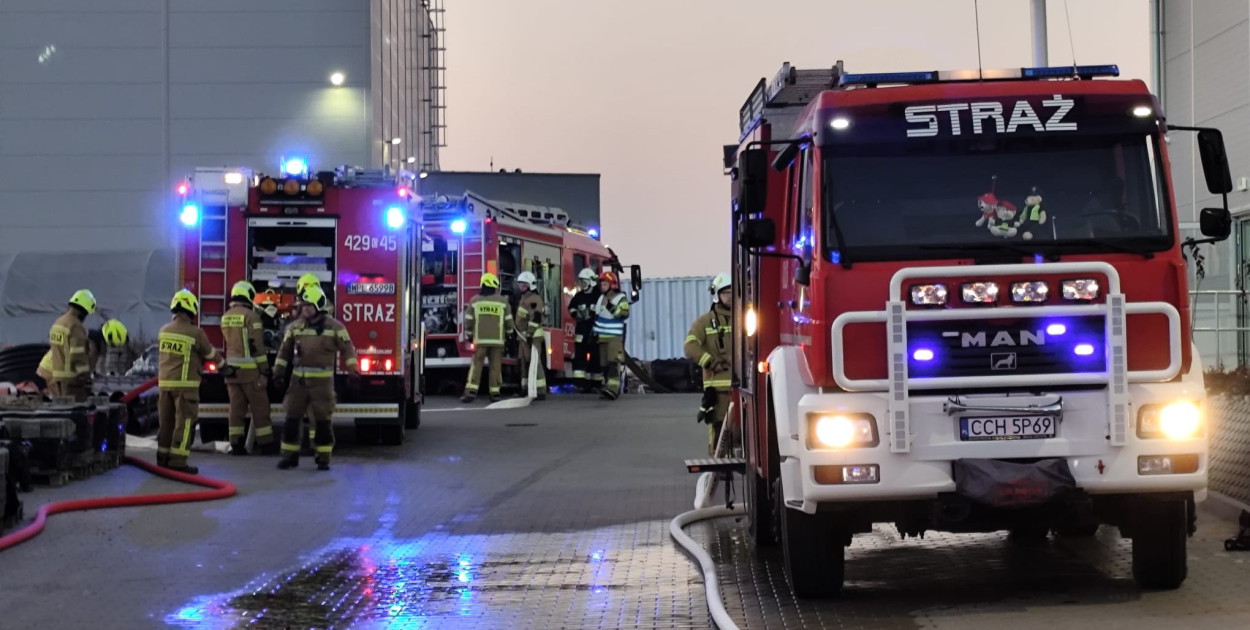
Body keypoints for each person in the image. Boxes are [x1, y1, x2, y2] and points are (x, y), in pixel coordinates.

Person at [273, 285, 360, 471]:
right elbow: (284, 352)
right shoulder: (295, 327)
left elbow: (348, 349)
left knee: (322, 422)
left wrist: (353, 371)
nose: (304, 309)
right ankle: (289, 456)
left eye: (308, 306)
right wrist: (278, 373)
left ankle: (323, 458)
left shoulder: (335, 327)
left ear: (318, 306)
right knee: (291, 419)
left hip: (322, 384)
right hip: (298, 382)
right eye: (302, 306)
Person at [156, 290, 224, 474]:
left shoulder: (164, 331)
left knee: (166, 423)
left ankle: (162, 459)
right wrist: (224, 366)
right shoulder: (195, 333)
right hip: (186, 387)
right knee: (184, 425)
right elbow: (209, 353)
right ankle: (178, 462)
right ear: (191, 309)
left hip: (164, 386)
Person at [221, 280, 277, 456]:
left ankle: (236, 444)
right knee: (260, 407)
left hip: (231, 371)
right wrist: (264, 370)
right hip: (250, 372)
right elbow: (257, 348)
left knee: (236, 408)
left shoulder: (226, 316)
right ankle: (266, 445)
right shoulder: (251, 317)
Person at [684, 273, 735, 456]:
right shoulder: (704, 322)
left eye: (732, 292)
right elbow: (690, 346)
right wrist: (710, 362)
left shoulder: (747, 318)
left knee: (743, 429)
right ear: (717, 294)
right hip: (718, 387)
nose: (729, 296)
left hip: (743, 386)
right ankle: (718, 466)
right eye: (725, 292)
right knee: (719, 429)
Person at [461, 273, 511, 403]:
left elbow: (469, 321)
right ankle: (495, 393)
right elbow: (509, 322)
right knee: (495, 367)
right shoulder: (502, 302)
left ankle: (471, 392)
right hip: (498, 341)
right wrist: (509, 334)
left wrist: (470, 336)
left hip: (480, 340)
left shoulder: (475, 301)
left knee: (476, 365)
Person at [47, 289, 97, 401]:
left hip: (57, 380)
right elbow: (77, 356)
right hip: (73, 383)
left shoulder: (58, 323)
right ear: (84, 309)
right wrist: (86, 377)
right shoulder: (75, 326)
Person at [594, 270, 630, 400]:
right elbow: (598, 316)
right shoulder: (601, 298)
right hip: (602, 337)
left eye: (604, 284)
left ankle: (613, 389)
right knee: (603, 364)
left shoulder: (620, 298)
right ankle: (606, 387)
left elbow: (624, 313)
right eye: (601, 284)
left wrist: (611, 307)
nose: (602, 286)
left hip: (614, 337)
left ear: (612, 284)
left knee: (613, 363)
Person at [514, 271, 548, 400]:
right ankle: (525, 388)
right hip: (523, 337)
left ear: (530, 285)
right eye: (520, 285)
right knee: (524, 362)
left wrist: (529, 334)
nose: (520, 287)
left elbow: (536, 318)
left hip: (533, 337)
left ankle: (541, 390)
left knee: (535, 362)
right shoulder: (524, 298)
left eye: (523, 285)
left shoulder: (534, 299)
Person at [567, 267, 602, 392]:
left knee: (595, 358)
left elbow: (602, 312)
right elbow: (571, 307)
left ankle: (596, 384)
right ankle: (580, 383)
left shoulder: (598, 296)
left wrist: (593, 315)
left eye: (584, 282)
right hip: (581, 331)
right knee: (579, 358)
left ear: (591, 281)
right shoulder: (579, 296)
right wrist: (576, 314)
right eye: (581, 282)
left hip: (594, 331)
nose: (582, 284)